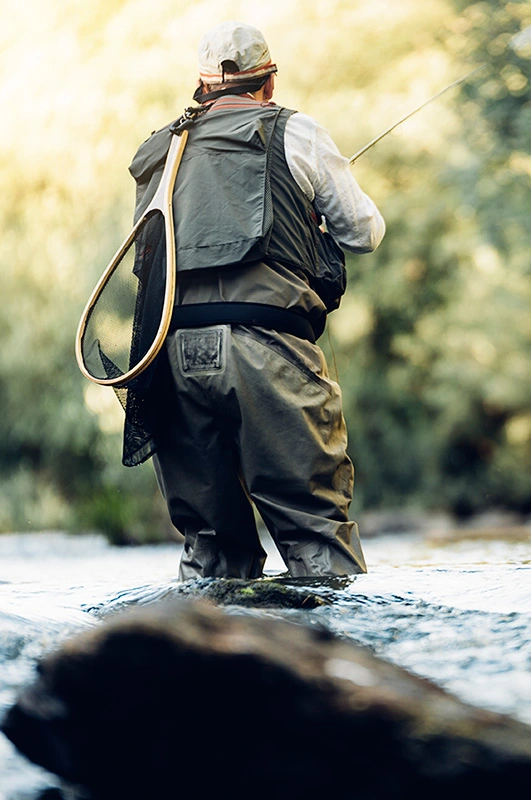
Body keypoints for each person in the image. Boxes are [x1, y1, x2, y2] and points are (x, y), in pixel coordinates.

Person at [127, 21, 385, 580]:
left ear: (201, 88)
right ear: (269, 83)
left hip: (167, 356)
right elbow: (365, 233)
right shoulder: (296, 131)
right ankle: (332, 659)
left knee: (212, 547)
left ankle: (206, 655)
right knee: (314, 529)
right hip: (267, 347)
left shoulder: (157, 150)